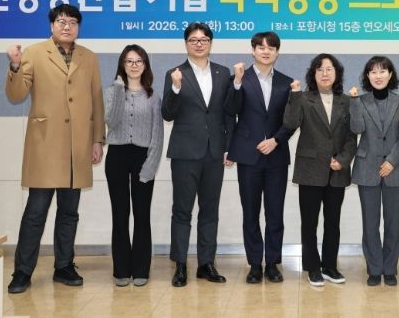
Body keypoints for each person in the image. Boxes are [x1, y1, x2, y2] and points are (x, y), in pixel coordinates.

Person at [5, 3, 104, 294]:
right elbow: (16, 93)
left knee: (69, 211)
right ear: (52, 25)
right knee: (35, 212)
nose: (67, 26)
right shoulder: (34, 53)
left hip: (77, 146)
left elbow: (96, 100)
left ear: (78, 27)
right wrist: (14, 65)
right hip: (45, 145)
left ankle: (64, 266)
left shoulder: (89, 57)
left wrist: (97, 139)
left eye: (72, 22)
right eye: (61, 21)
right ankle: (22, 271)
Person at [162, 22, 234, 287]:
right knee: (182, 210)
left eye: (204, 39)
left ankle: (206, 264)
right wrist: (176, 88)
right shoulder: (175, 73)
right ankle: (180, 265)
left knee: (209, 210)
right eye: (193, 40)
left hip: (214, 152)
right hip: (185, 152)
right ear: (186, 44)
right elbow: (167, 113)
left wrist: (229, 147)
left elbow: (228, 114)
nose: (199, 44)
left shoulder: (223, 73)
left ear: (210, 43)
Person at [224, 31, 293, 284]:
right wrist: (237, 82)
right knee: (250, 213)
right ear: (253, 50)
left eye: (271, 48)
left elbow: (292, 120)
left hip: (276, 156)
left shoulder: (287, 83)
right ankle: (254, 264)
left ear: (277, 52)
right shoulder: (239, 78)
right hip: (248, 156)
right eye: (261, 47)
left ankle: (272, 263)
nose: (266, 51)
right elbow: (230, 111)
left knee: (275, 213)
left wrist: (276, 140)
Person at [283, 53, 357, 287]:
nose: (325, 73)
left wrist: (343, 160)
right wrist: (295, 94)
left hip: (337, 170)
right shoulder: (304, 98)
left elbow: (351, 136)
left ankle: (330, 267)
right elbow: (290, 123)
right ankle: (313, 268)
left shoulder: (347, 101)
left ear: (337, 74)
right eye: (320, 69)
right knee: (309, 223)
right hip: (310, 169)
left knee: (333, 222)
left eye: (329, 69)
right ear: (313, 74)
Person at [349, 56, 399, 287]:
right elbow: (356, 128)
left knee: (393, 223)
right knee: (370, 223)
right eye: (373, 72)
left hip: (395, 168)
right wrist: (354, 101)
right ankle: (374, 269)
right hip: (367, 168)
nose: (378, 76)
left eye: (382, 71)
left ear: (390, 75)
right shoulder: (360, 100)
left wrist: (392, 161)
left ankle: (390, 268)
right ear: (367, 76)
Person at [104, 44, 164, 287]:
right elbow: (112, 121)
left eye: (139, 61)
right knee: (119, 214)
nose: (134, 65)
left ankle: (141, 269)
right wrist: (120, 89)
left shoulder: (153, 96)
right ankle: (121, 270)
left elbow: (157, 135)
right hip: (117, 156)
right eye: (129, 61)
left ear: (145, 65)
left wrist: (150, 167)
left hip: (143, 157)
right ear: (122, 65)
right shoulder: (112, 91)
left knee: (141, 214)